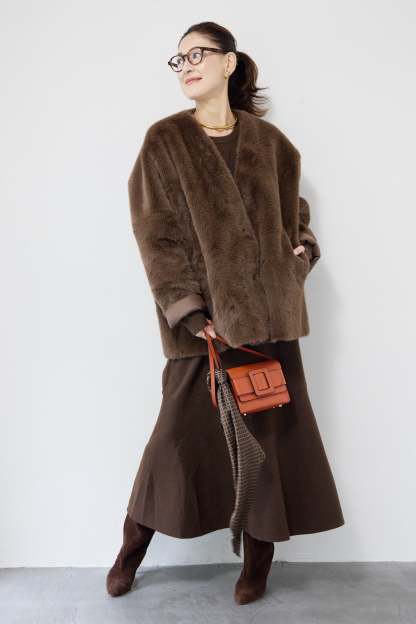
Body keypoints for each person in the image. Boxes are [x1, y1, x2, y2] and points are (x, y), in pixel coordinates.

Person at [106, 21, 345, 605]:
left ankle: (258, 562)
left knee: (270, 443)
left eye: (198, 54)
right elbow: (155, 233)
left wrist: (301, 251)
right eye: (179, 59)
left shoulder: (272, 143)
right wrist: (188, 310)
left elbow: (295, 213)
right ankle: (130, 550)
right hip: (203, 331)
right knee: (173, 442)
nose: (186, 65)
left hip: (269, 323)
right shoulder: (165, 141)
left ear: (229, 62)